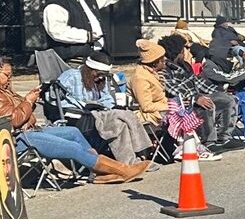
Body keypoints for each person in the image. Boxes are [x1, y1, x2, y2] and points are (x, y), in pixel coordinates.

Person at [0, 59, 151, 182]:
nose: (10, 79)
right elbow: (14, 120)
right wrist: (27, 101)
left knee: (73, 132)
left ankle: (97, 172)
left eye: (11, 75)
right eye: (7, 75)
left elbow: (24, 114)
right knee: (73, 147)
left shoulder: (7, 91)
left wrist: (28, 104)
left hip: (29, 129)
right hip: (14, 138)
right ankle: (122, 170)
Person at [56, 53, 155, 162]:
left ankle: (138, 157)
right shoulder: (71, 76)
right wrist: (83, 105)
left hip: (99, 112)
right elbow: (55, 99)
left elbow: (107, 98)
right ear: (89, 69)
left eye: (104, 74)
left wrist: (107, 106)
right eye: (98, 73)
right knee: (120, 119)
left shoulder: (101, 80)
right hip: (80, 116)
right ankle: (132, 160)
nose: (101, 77)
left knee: (122, 119)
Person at [160, 34, 243, 151]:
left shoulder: (185, 65)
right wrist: (195, 98)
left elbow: (199, 83)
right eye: (184, 50)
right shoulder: (165, 70)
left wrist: (219, 92)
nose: (187, 53)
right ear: (176, 52)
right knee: (206, 104)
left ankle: (224, 137)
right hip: (181, 104)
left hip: (196, 97)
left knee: (227, 100)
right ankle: (208, 142)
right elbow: (173, 89)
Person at [42, 0, 145, 60]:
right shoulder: (56, 3)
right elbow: (56, 30)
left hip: (95, 55)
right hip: (73, 59)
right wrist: (87, 36)